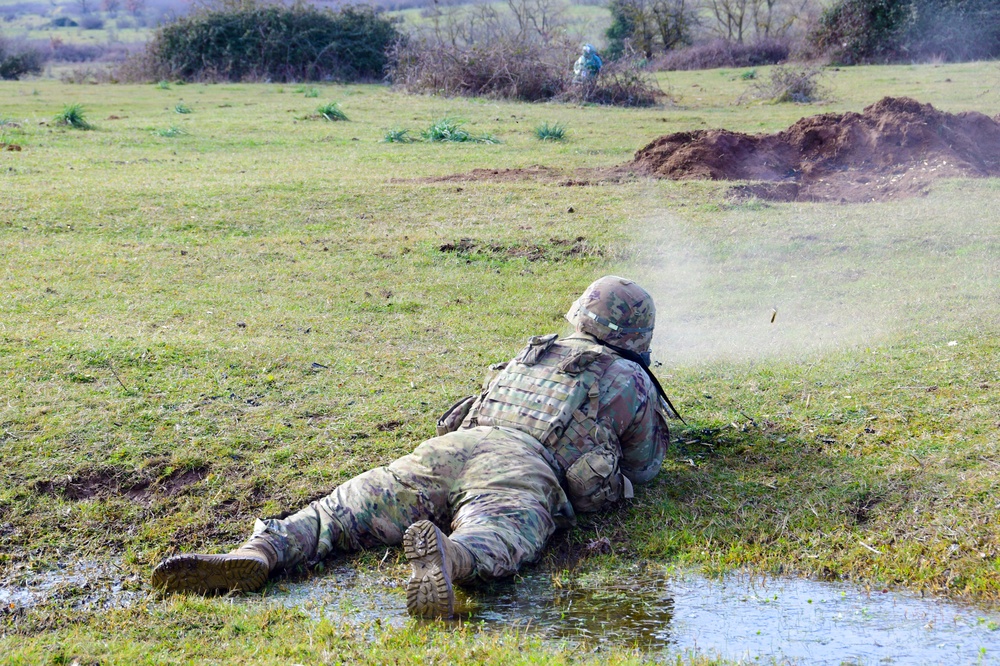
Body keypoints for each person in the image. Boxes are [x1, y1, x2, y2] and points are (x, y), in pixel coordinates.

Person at [152, 276, 675, 618]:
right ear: (636, 333)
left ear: (581, 313)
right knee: (500, 534)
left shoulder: (534, 352)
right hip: (521, 467)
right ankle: (450, 555)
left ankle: (261, 550)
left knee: (346, 507)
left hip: (450, 449)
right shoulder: (628, 378)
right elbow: (644, 467)